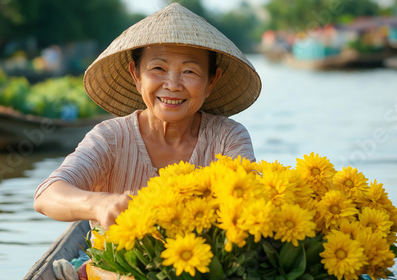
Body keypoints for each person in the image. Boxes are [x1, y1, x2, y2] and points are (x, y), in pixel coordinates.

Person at [33, 3, 262, 231]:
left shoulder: (227, 137)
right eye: (158, 69)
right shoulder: (110, 137)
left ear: (211, 81)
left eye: (189, 71)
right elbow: (47, 195)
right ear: (136, 75)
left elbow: (249, 199)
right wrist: (100, 204)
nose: (172, 85)